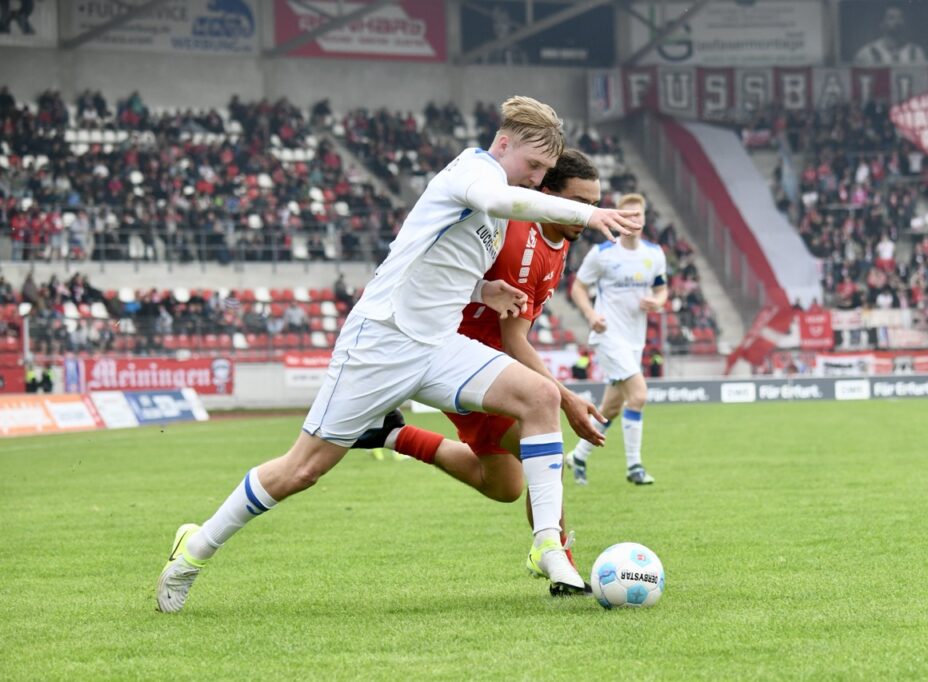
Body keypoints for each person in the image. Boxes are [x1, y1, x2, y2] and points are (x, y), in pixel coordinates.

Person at [155, 95, 642, 613]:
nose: (537, 178)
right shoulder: (473, 172)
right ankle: (195, 548)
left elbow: (430, 262)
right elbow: (499, 202)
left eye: (546, 170)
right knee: (301, 471)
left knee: (540, 396)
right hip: (381, 342)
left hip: (437, 345)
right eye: (534, 166)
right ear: (503, 144)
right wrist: (589, 213)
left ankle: (549, 544)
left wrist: (483, 291)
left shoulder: (503, 198)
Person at [377, 149, 607, 588]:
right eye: (578, 203)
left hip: (489, 365)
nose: (587, 215)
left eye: (593, 205)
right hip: (458, 362)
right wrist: (569, 399)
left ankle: (392, 434)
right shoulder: (517, 235)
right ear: (547, 195)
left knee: (503, 485)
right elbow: (512, 339)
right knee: (544, 449)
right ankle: (560, 560)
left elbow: (514, 332)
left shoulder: (557, 247)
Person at [567, 193, 668, 486]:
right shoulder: (603, 253)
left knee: (611, 407)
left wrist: (658, 301)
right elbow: (578, 288)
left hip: (635, 338)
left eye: (639, 215)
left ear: (645, 218)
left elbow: (662, 289)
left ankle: (578, 457)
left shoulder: (654, 254)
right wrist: (590, 315)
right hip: (608, 334)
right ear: (619, 218)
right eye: (629, 216)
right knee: (638, 395)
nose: (634, 221)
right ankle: (634, 466)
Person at [853, 5, 926, 66]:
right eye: (891, 18)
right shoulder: (867, 53)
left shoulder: (915, 52)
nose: (897, 22)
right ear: (881, 24)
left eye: (900, 17)